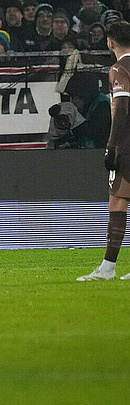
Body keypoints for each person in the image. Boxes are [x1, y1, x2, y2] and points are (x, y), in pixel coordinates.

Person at [78, 21, 130, 281]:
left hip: (127, 145)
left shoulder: (119, 68)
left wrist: (112, 146)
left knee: (117, 201)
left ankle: (108, 268)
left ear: (110, 42)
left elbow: (121, 109)